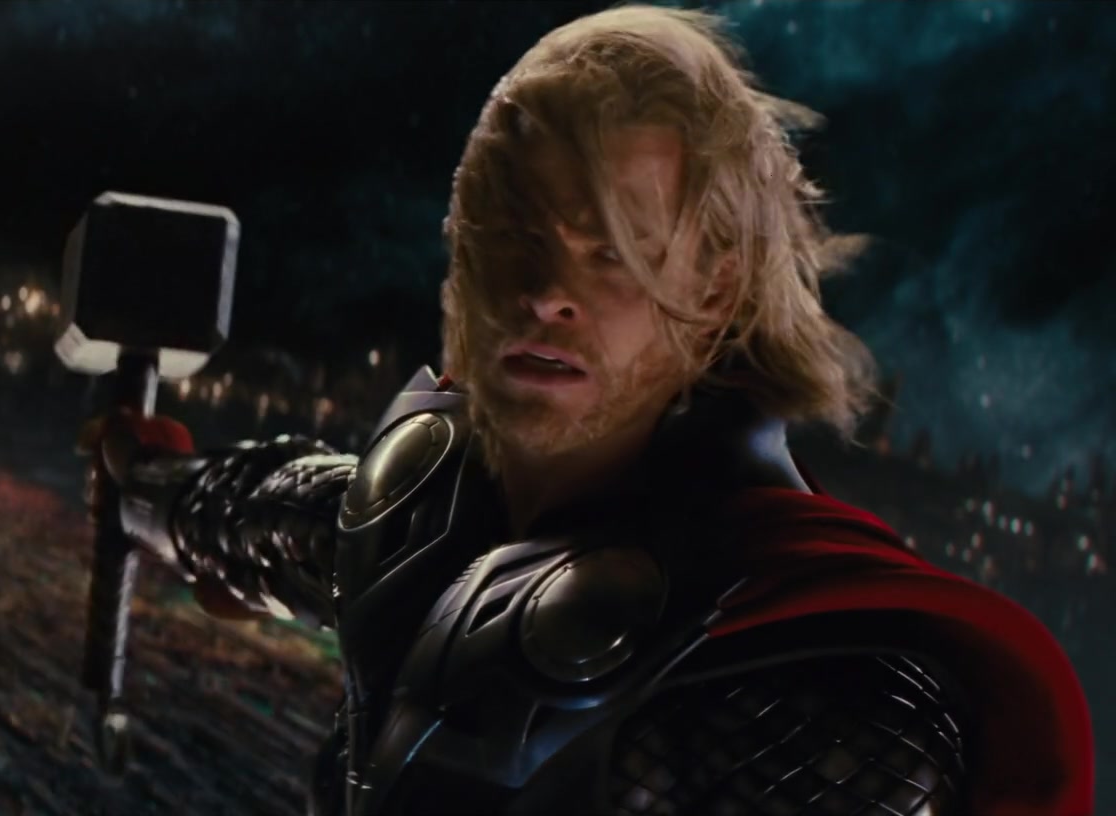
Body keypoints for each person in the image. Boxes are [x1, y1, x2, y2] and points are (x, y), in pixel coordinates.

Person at [80, 6, 1093, 815]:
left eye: (612, 251)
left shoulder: (825, 697)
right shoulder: (415, 513)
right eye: (517, 233)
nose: (545, 294)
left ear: (717, 287)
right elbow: (255, 516)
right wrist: (141, 470)